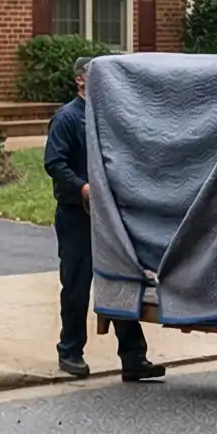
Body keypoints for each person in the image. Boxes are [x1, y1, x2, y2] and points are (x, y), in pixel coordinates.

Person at [43, 60, 164, 383]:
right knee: (77, 286)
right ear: (79, 80)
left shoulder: (108, 117)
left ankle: (134, 357)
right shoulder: (67, 118)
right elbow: (54, 161)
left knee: (121, 280)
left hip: (111, 216)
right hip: (76, 217)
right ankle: (70, 351)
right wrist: (81, 186)